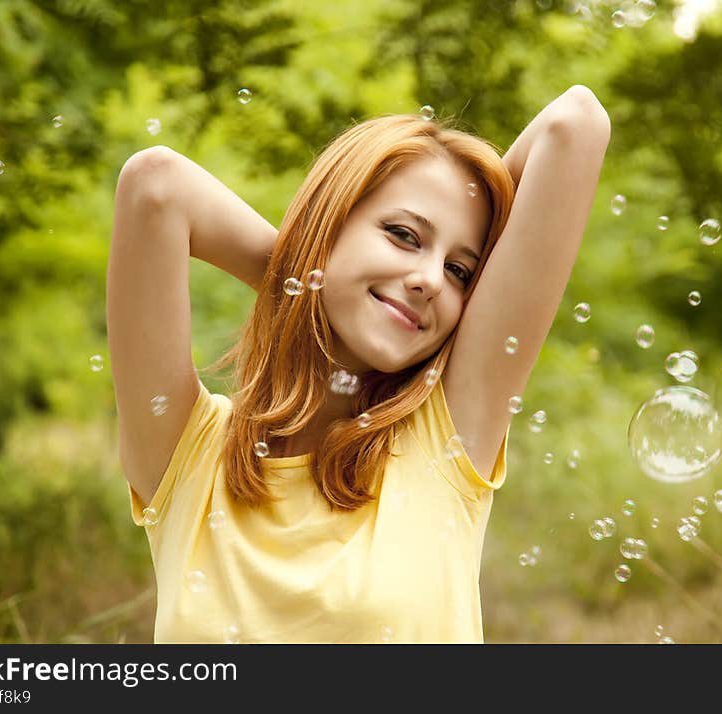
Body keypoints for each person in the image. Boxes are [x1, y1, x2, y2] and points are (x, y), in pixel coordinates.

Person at [105, 85, 610, 643]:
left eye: (461, 271)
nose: (429, 278)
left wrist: (331, 285)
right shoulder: (186, 454)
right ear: (328, 225)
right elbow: (156, 186)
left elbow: (576, 123)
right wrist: (302, 281)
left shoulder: (446, 438)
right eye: (403, 235)